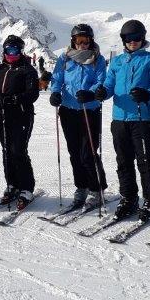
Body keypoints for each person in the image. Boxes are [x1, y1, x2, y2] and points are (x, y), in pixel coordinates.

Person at [95, 20, 150, 222]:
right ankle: (129, 197)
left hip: (142, 118)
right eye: (128, 38)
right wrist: (102, 92)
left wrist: (147, 94)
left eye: (137, 38)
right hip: (119, 118)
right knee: (123, 161)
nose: (133, 41)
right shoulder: (117, 62)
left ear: (143, 38)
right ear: (123, 39)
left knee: (145, 160)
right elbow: (109, 85)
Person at [49, 24, 107, 208]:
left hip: (89, 110)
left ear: (91, 41)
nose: (82, 44)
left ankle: (96, 188)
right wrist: (55, 92)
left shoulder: (97, 59)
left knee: (88, 153)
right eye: (78, 40)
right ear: (73, 41)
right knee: (74, 152)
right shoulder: (65, 58)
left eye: (86, 40)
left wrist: (90, 93)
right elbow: (57, 78)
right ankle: (81, 186)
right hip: (68, 110)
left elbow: (101, 81)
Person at [0, 35, 40, 209]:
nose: (12, 53)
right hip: (2, 116)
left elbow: (33, 94)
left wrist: (15, 99)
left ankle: (26, 188)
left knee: (18, 151)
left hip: (21, 116)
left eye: (15, 50)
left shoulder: (27, 70)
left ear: (21, 51)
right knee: (7, 151)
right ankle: (12, 184)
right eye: (9, 50)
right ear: (4, 51)